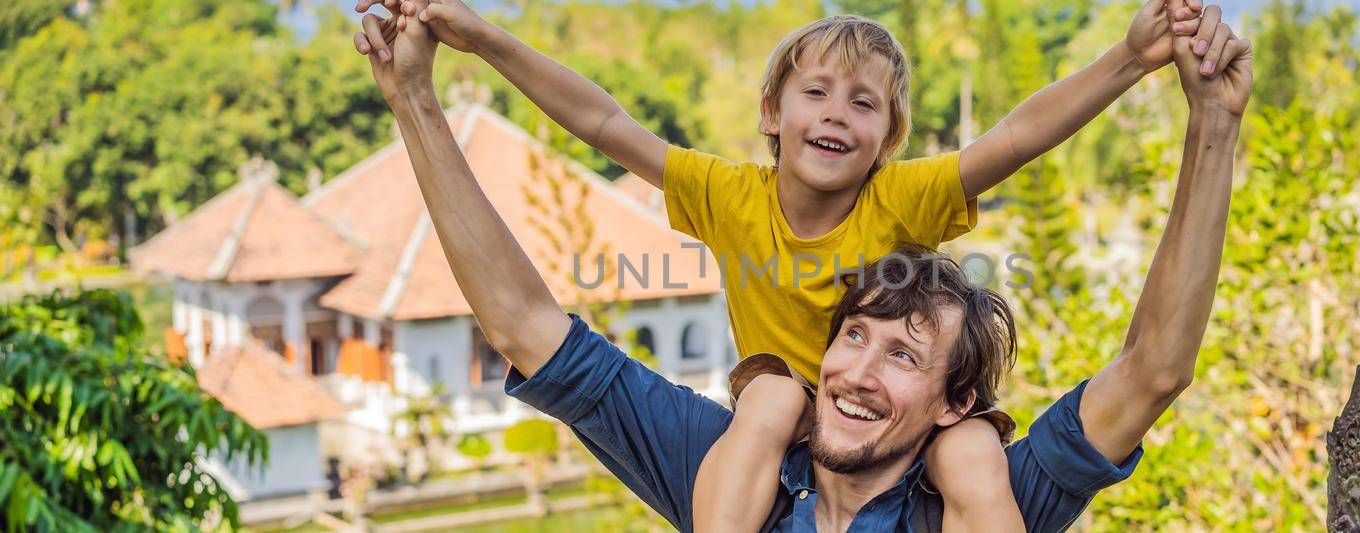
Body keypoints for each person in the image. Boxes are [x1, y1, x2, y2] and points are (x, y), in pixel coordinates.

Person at [351, 1, 1251, 528]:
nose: (856, 366)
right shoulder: (734, 451)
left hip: (920, 442)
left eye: (903, 351)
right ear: (772, 111)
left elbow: (1019, 142)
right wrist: (460, 60)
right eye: (853, 334)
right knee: (776, 395)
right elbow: (600, 130)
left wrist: (1137, 65)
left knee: (973, 456)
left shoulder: (904, 209)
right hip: (772, 408)